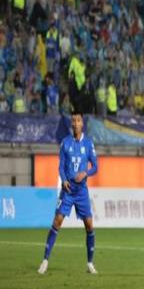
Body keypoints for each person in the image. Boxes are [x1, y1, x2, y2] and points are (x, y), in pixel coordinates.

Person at [38, 110, 98, 274]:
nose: (75, 123)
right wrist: (64, 180)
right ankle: (45, 260)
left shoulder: (88, 144)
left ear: (82, 123)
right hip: (68, 190)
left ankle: (90, 263)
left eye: (78, 120)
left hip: (82, 191)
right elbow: (61, 167)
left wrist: (86, 173)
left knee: (89, 225)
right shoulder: (65, 143)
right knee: (57, 221)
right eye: (73, 121)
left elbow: (96, 167)